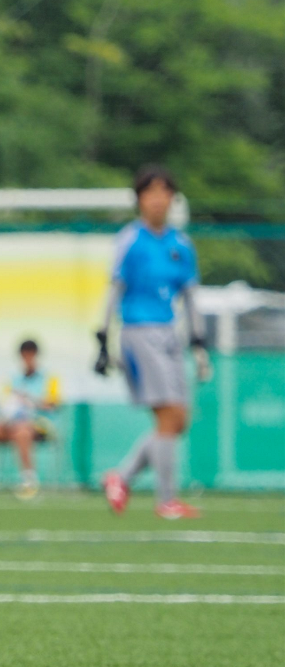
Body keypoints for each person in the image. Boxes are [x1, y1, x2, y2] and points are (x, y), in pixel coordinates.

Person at [95, 165, 209, 520]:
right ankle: (166, 501)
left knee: (179, 420)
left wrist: (199, 343)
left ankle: (121, 477)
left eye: (165, 193)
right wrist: (102, 338)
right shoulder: (130, 240)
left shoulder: (181, 244)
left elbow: (190, 296)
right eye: (151, 192)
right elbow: (114, 289)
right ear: (139, 199)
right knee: (168, 414)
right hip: (138, 332)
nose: (158, 200)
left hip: (169, 333)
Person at [0, 339, 60, 500]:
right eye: (24, 355)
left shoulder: (49, 378)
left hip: (40, 425)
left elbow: (53, 405)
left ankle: (29, 481)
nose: (28, 359)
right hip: (11, 424)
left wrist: (32, 401)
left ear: (36, 356)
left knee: (22, 431)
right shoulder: (12, 379)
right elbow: (1, 403)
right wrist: (8, 410)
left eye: (31, 355)